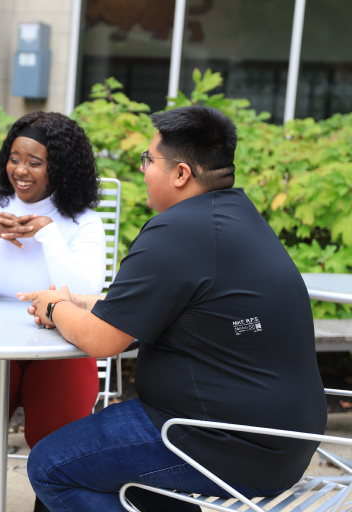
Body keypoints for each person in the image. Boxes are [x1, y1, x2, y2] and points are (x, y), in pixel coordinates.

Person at [18, 105, 327, 512]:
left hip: (214, 439)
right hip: (280, 441)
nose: (143, 169)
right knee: (99, 468)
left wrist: (55, 305)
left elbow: (102, 339)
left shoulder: (175, 231)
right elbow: (174, 306)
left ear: (181, 174)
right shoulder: (236, 216)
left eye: (149, 160)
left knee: (50, 464)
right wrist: (79, 301)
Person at [0, 111, 107, 512]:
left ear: (59, 167)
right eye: (15, 158)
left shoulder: (82, 220)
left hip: (60, 344)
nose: (21, 171)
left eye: (35, 162)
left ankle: (50, 501)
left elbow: (83, 294)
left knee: (61, 436)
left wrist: (47, 233)